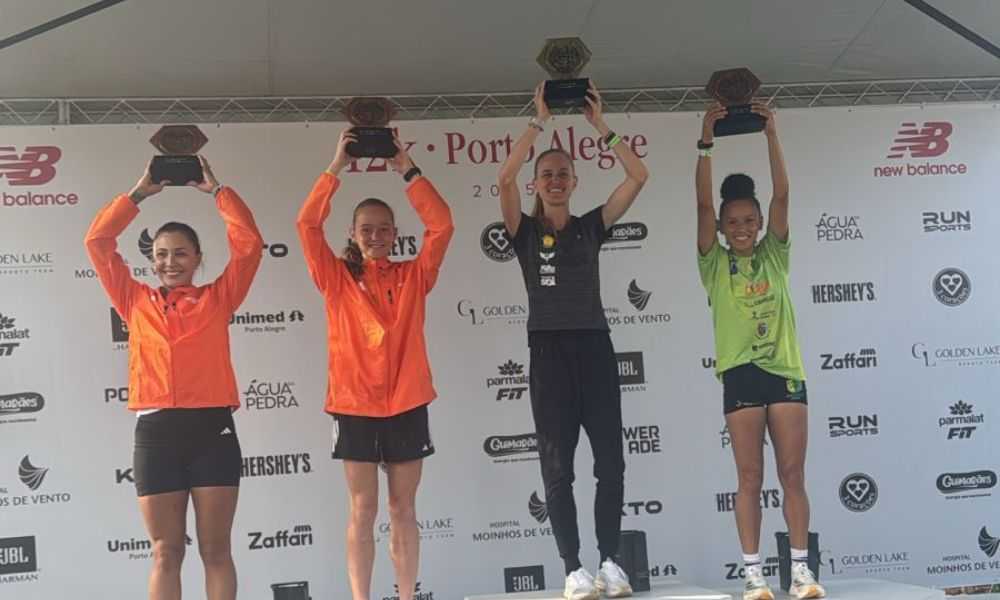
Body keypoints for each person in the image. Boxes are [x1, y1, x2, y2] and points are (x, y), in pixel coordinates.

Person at [84, 156, 263, 600]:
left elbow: (249, 246)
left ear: (198, 258)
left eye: (181, 253)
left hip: (212, 430)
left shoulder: (219, 297)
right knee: (166, 552)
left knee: (216, 550)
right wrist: (139, 193)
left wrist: (218, 192)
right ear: (152, 260)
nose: (170, 262)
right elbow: (98, 240)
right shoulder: (133, 299)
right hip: (156, 434)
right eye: (162, 254)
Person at [497, 82, 649, 600]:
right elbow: (503, 178)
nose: (556, 181)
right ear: (537, 183)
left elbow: (638, 176)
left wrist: (600, 125)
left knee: (611, 464)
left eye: (563, 173)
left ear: (575, 181)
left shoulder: (590, 227)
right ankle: (573, 569)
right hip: (549, 355)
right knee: (558, 468)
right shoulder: (522, 231)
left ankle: (610, 562)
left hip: (595, 350)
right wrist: (537, 120)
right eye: (547, 174)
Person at [296, 131, 454, 600]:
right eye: (366, 229)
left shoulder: (414, 275)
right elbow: (307, 224)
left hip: (407, 401)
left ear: (395, 234)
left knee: (403, 509)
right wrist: (336, 167)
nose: (376, 236)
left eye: (384, 229)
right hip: (354, 405)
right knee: (362, 510)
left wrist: (407, 168)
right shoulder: (335, 277)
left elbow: (442, 225)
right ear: (352, 233)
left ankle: (406, 596)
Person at [695, 102, 825, 600]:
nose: (743, 227)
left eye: (750, 219)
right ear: (722, 227)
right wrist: (706, 143)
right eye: (734, 221)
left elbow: (783, 194)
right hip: (741, 373)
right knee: (750, 477)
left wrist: (772, 134)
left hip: (785, 371)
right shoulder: (713, 263)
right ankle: (753, 574)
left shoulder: (775, 252)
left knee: (793, 474)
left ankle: (801, 572)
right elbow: (702, 207)